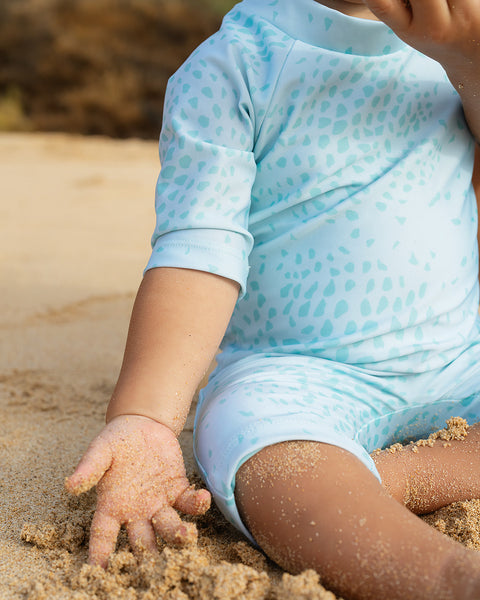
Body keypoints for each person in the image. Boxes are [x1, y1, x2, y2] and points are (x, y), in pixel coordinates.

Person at [66, 0, 480, 598]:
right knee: (269, 459)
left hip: (458, 360)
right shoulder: (235, 65)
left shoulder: (460, 44)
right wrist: (147, 418)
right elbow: (199, 250)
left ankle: (397, 477)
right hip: (296, 376)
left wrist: (467, 57)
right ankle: (447, 578)